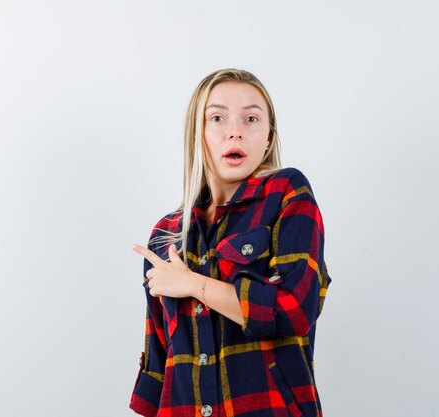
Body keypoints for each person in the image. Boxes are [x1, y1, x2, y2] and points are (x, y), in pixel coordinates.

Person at [129, 68, 332, 417]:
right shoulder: (167, 234)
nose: (235, 131)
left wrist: (192, 283)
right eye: (218, 118)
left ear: (268, 137)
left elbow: (294, 310)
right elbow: (159, 363)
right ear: (198, 133)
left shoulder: (287, 193)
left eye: (251, 118)